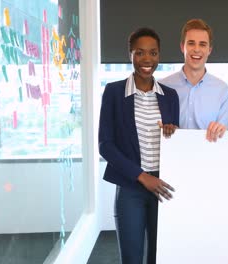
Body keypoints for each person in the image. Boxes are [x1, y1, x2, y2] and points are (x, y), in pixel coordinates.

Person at [98, 27, 179, 264]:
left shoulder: (170, 95)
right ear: (130, 55)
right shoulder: (114, 92)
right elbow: (106, 145)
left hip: (163, 186)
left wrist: (172, 131)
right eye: (140, 52)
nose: (147, 59)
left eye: (153, 53)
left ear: (159, 56)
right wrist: (142, 176)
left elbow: (177, 141)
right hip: (131, 186)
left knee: (160, 255)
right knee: (132, 258)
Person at [160, 18, 228, 142]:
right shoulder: (162, 86)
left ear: (209, 50)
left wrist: (221, 130)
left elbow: (226, 135)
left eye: (202, 44)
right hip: (171, 158)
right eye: (191, 43)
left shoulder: (221, 89)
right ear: (182, 47)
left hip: (208, 158)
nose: (196, 49)